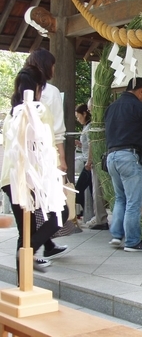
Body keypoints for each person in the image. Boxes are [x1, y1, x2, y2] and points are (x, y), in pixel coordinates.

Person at [1, 65, 69, 279]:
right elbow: (47, 145)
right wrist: (57, 173)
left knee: (26, 230)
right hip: (34, 178)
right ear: (39, 88)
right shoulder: (40, 109)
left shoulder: (11, 113)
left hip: (9, 177)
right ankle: (30, 251)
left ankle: (22, 284)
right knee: (61, 214)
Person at [23, 49, 68, 260]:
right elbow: (57, 130)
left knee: (31, 210)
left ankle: (44, 246)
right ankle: (29, 251)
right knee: (59, 209)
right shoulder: (49, 92)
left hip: (23, 161)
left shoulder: (20, 90)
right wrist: (62, 160)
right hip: (43, 160)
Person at [105, 77, 142, 252]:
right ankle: (133, 241)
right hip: (130, 157)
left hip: (111, 157)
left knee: (121, 198)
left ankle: (117, 235)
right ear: (141, 91)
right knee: (134, 201)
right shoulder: (140, 107)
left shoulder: (111, 107)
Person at [83, 97, 109, 230]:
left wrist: (89, 160)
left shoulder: (97, 123)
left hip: (99, 161)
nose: (88, 110)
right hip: (108, 158)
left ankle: (101, 218)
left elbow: (92, 144)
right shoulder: (107, 120)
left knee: (97, 189)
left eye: (89, 107)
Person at [74, 104, 93, 218]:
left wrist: (89, 161)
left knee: (79, 189)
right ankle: (94, 216)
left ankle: (80, 213)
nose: (78, 119)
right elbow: (87, 146)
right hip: (87, 160)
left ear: (84, 114)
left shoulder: (89, 127)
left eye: (78, 116)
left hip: (88, 163)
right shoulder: (86, 127)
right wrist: (79, 145)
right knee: (91, 190)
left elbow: (91, 145)